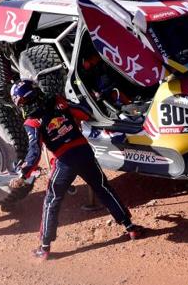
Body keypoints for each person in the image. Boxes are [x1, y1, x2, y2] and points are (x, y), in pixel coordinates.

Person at [9, 80, 145, 260]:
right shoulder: (59, 101)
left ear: (23, 103)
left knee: (52, 200)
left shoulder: (32, 122)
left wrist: (23, 174)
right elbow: (84, 113)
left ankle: (44, 247)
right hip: (84, 152)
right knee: (103, 188)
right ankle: (130, 227)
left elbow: (34, 153)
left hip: (64, 161)